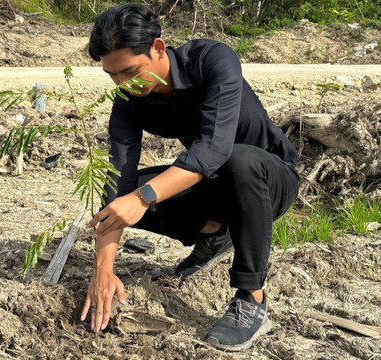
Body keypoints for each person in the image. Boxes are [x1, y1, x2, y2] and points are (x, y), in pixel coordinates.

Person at [79, 3, 300, 352]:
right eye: (113, 75)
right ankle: (215, 232)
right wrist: (103, 268)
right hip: (214, 184)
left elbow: (213, 150)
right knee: (128, 192)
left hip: (268, 180)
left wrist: (141, 199)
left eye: (130, 71)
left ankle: (251, 299)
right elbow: (117, 178)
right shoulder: (128, 97)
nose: (123, 84)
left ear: (158, 48)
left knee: (235, 160)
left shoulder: (213, 60)